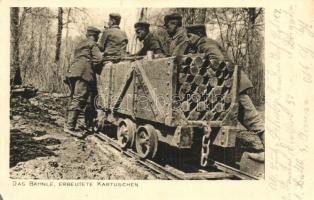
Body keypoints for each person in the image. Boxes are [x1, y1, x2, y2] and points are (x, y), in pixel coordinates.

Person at [187, 24, 265, 162]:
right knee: (242, 118)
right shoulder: (202, 44)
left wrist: (205, 73)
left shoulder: (205, 43)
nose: (188, 39)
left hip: (236, 86)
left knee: (252, 119)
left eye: (190, 36)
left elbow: (219, 62)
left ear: (198, 34)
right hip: (229, 87)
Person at [64, 26, 103, 138]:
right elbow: (99, 59)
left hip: (72, 72)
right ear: (96, 36)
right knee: (79, 98)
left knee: (73, 98)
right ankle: (70, 127)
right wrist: (95, 68)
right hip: (83, 73)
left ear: (87, 35)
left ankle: (67, 123)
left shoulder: (80, 44)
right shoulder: (92, 44)